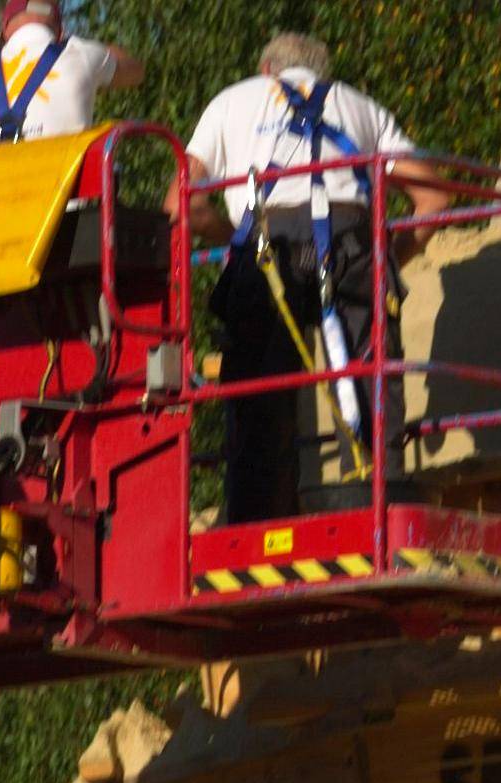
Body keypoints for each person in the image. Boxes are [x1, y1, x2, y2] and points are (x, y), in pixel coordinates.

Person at [165, 32, 451, 524]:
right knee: (368, 384)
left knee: (259, 400)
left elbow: (180, 206)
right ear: (323, 74)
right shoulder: (360, 106)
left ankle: (258, 523)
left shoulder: (231, 102)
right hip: (352, 242)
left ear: (266, 70)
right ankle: (376, 511)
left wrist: (236, 239)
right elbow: (435, 199)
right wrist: (385, 261)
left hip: (266, 246)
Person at [0, 0, 144, 164]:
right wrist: (98, 51)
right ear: (60, 30)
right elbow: (136, 72)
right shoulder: (81, 53)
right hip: (68, 217)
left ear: (4, 31)